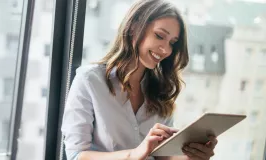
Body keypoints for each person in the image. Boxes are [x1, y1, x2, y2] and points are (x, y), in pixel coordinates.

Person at [61, 0, 218, 160]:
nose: (165, 50)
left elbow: (162, 156)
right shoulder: (90, 80)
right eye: (159, 36)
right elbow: (76, 155)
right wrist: (134, 154)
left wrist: (192, 156)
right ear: (134, 27)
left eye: (172, 43)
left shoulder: (161, 89)